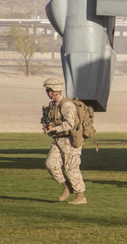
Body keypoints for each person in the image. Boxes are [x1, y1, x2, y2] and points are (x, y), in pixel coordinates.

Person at [42, 77, 87, 205]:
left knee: (71, 168)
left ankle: (80, 196)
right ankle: (67, 186)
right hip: (58, 140)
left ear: (54, 90)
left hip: (70, 141)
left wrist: (54, 129)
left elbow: (70, 124)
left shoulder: (67, 105)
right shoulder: (53, 106)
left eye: (48, 90)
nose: (47, 93)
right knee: (51, 164)